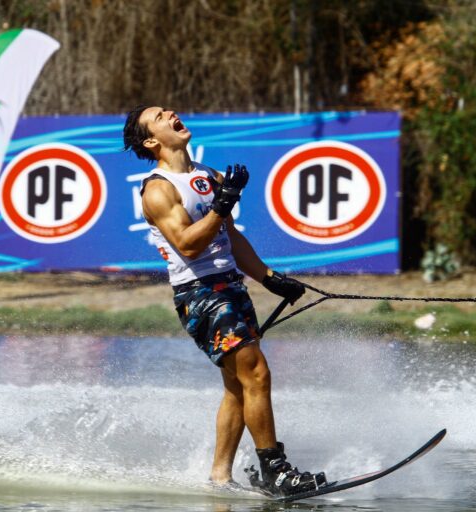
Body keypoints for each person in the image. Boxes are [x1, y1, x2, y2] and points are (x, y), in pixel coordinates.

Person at [122, 105, 327, 497]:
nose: (170, 113)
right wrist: (222, 203)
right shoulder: (158, 190)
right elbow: (188, 244)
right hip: (200, 294)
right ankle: (275, 470)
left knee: (238, 385)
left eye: (168, 110)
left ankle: (219, 477)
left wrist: (269, 278)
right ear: (150, 142)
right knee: (257, 374)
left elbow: (229, 237)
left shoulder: (210, 176)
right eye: (160, 116)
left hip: (231, 287)